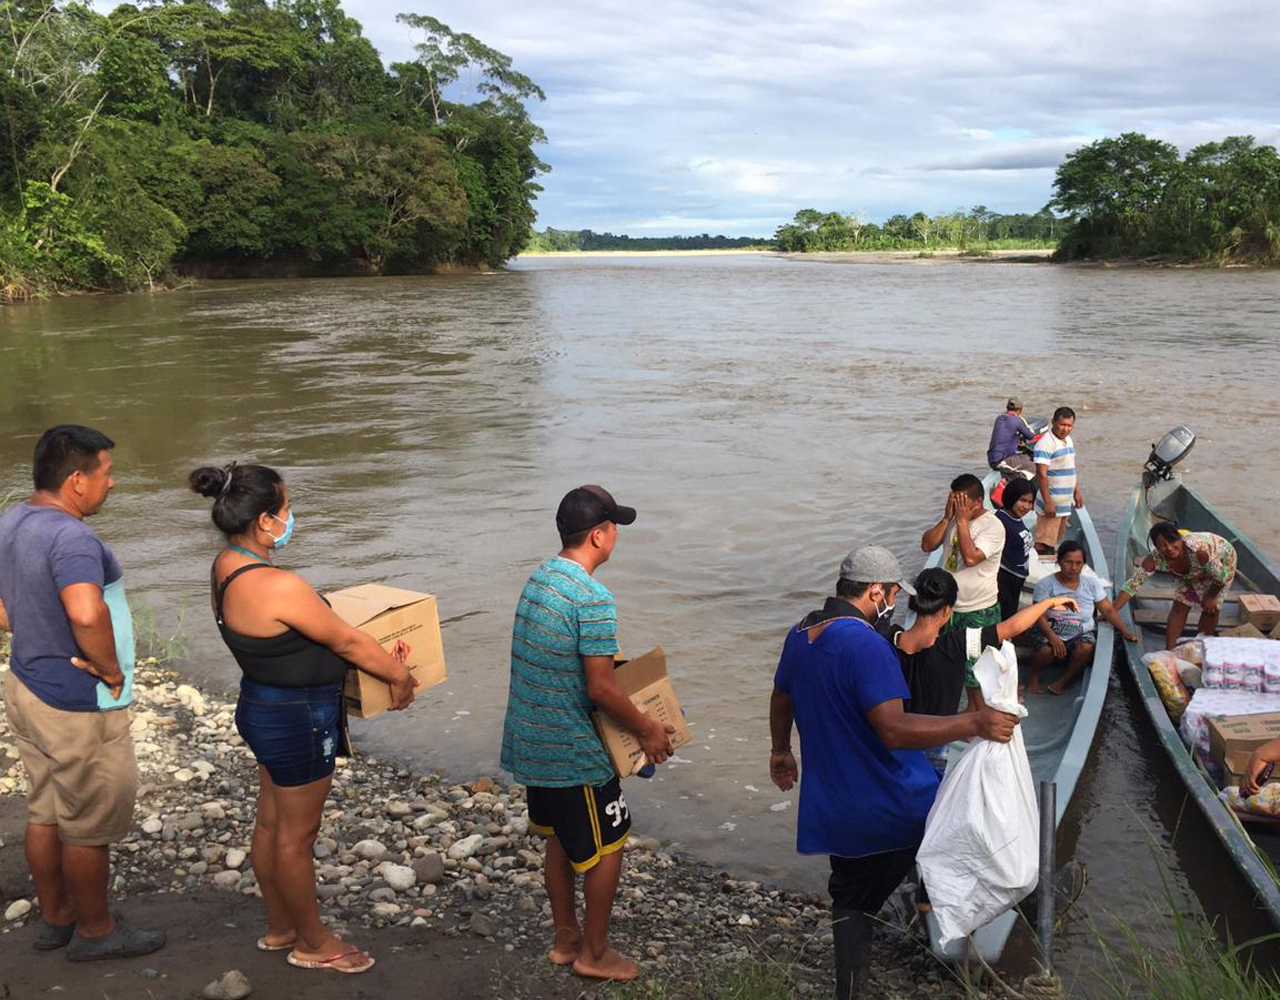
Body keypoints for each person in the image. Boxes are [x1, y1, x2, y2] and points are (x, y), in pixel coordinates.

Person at [190, 462, 417, 975]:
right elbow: (348, 639)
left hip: (263, 705)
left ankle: (280, 926)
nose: (292, 517)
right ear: (266, 520)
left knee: (272, 821)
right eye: (286, 508)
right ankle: (313, 941)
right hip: (296, 717)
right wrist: (399, 676)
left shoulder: (225, 566)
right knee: (297, 835)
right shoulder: (278, 584)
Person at [768, 546, 1019, 1000]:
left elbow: (781, 695)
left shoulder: (800, 632)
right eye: (889, 596)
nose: (891, 605)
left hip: (833, 804)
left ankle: (850, 988)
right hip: (891, 803)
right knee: (972, 836)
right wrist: (974, 722)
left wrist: (781, 749)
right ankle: (979, 928)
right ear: (876, 592)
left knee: (851, 895)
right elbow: (895, 729)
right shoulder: (867, 644)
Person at [0, 426, 165, 960]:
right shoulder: (72, 538)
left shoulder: (12, 520)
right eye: (105, 473)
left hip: (26, 685)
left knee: (47, 811)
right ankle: (96, 932)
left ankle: (57, 917)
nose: (111, 484)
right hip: (76, 702)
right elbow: (86, 611)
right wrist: (109, 670)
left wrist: (30, 631)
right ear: (76, 480)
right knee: (88, 823)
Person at [499, 486, 674, 983]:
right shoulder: (593, 597)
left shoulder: (540, 579)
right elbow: (600, 687)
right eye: (614, 526)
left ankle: (565, 937)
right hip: (574, 750)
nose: (616, 534)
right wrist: (647, 729)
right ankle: (594, 953)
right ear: (599, 535)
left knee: (558, 840)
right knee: (610, 843)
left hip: (533, 740)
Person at [891, 566, 1081, 776]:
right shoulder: (955, 645)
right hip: (934, 741)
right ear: (947, 610)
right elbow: (1012, 627)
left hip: (895, 737)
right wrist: (1049, 602)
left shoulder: (890, 639)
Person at [920, 473, 1005, 707]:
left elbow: (970, 558)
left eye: (961, 502)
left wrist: (963, 522)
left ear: (978, 502)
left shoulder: (993, 527)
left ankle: (976, 712)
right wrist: (948, 518)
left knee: (975, 668)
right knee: (946, 659)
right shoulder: (952, 519)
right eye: (953, 500)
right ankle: (958, 708)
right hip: (948, 607)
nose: (956, 506)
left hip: (977, 609)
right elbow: (927, 545)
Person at [1027, 540, 1138, 694]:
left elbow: (1108, 610)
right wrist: (1053, 637)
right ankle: (1034, 677)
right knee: (1045, 652)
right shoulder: (1046, 584)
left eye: (1078, 563)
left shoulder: (1091, 583)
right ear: (1059, 562)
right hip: (1051, 630)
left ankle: (1063, 681)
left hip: (1079, 631)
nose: (1073, 568)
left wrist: (1126, 632)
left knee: (1086, 647)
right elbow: (1038, 615)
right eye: (1069, 562)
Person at [1111, 522, 1238, 650]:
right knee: (1180, 606)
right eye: (1163, 546)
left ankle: (1202, 649)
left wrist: (1211, 596)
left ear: (1180, 539)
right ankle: (1169, 651)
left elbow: (1221, 577)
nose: (1170, 548)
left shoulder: (1200, 552)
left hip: (1222, 561)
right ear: (1156, 548)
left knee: (1210, 608)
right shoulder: (1154, 559)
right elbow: (1133, 585)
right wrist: (1111, 610)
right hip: (1189, 572)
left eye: (1173, 542)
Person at [1032, 406, 1081, 555]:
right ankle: (1041, 569)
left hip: (1064, 502)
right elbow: (1041, 474)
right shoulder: (1045, 443)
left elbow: (1071, 467)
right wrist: (1048, 502)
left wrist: (1076, 492)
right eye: (1062, 424)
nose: (1065, 429)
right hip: (1052, 501)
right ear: (1053, 422)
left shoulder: (1068, 440)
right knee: (1044, 543)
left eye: (1069, 425)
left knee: (1055, 538)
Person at [995, 478, 1036, 624]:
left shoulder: (1015, 518)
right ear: (1011, 497)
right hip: (1003, 580)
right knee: (1003, 618)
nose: (1026, 506)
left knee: (1010, 613)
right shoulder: (1000, 521)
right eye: (1022, 500)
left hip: (1017, 579)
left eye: (1030, 502)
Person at [987, 397, 1037, 478]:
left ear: (1007, 407)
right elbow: (1030, 436)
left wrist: (1016, 440)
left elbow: (1005, 437)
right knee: (1032, 466)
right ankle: (1023, 487)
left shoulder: (999, 418)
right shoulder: (1016, 420)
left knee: (1024, 458)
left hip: (992, 459)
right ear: (1020, 410)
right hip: (1001, 461)